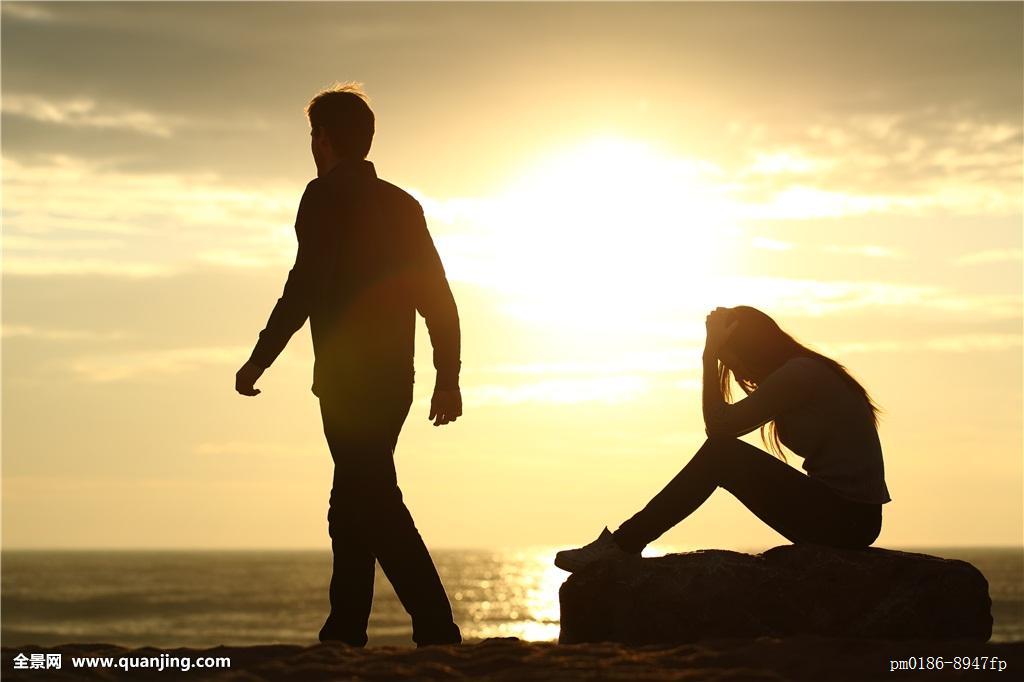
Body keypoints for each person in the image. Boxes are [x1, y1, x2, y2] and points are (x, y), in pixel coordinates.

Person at [235, 83, 463, 646]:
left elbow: (303, 287)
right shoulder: (403, 204)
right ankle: (345, 630)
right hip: (396, 382)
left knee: (373, 498)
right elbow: (437, 297)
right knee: (353, 497)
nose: (312, 145)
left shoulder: (322, 197)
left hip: (346, 381)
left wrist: (258, 360)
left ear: (326, 139)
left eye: (314, 135)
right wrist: (447, 378)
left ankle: (435, 626)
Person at [555, 305, 892, 572]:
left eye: (733, 362)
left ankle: (623, 545)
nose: (739, 373)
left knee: (722, 455)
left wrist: (708, 355)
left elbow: (719, 428)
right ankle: (624, 544)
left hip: (846, 518)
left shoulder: (800, 374)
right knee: (722, 453)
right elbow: (721, 427)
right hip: (846, 517)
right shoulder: (800, 372)